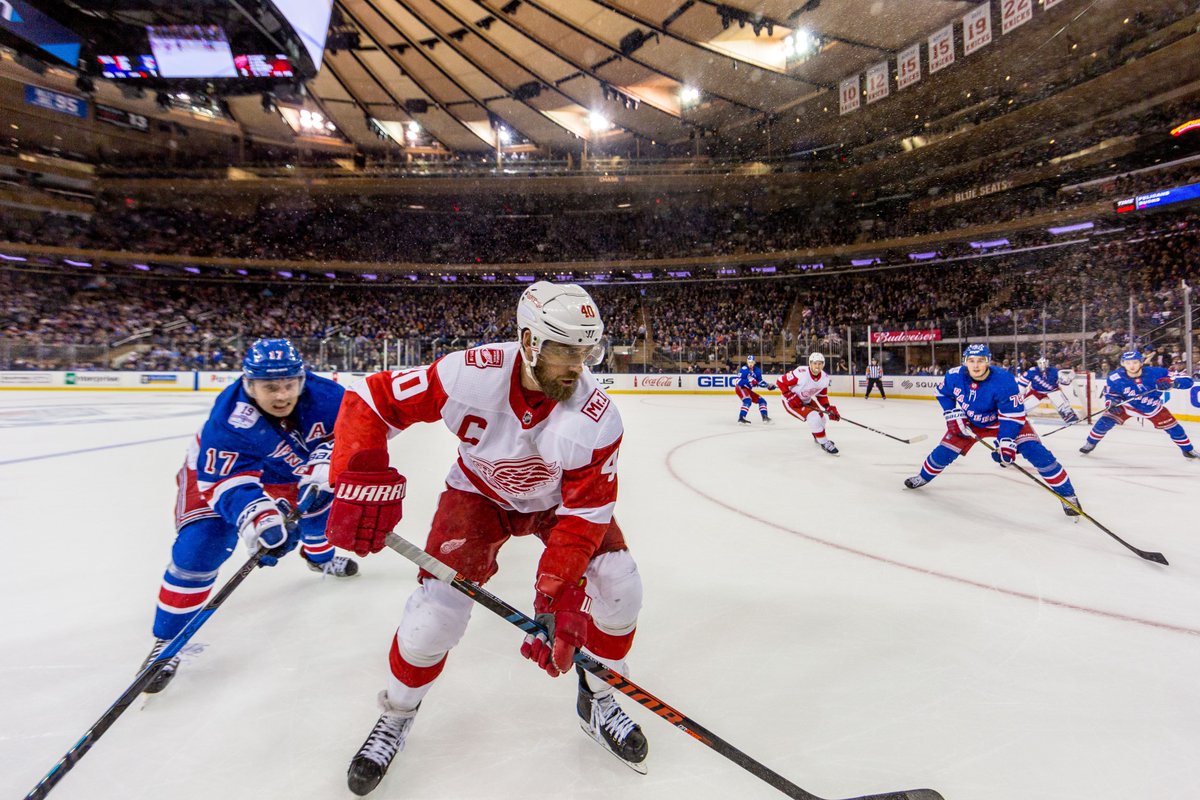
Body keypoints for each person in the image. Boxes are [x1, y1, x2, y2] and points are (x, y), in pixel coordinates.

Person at [325, 282, 647, 796]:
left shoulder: (596, 417)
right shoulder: (468, 375)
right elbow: (373, 398)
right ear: (529, 341)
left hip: (556, 506)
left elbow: (585, 514)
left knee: (620, 583)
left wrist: (557, 594)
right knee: (434, 617)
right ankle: (397, 714)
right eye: (565, 350)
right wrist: (356, 473)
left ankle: (600, 696)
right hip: (477, 496)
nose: (578, 366)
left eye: (586, 352)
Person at [138, 338, 358, 694]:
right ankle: (168, 640)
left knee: (318, 512)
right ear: (249, 384)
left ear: (303, 379)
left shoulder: (330, 397)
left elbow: (356, 434)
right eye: (270, 387)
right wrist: (256, 516)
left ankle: (320, 559)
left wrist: (329, 462)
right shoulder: (228, 419)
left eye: (289, 384)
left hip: (290, 470)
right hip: (218, 471)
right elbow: (225, 480)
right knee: (201, 546)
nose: (282, 395)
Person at [904, 344, 1082, 515]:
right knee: (944, 452)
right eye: (971, 361)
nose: (976, 365)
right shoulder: (954, 376)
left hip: (1004, 421)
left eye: (980, 360)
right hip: (971, 423)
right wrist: (951, 413)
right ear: (965, 361)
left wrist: (1006, 441)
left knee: (1036, 453)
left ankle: (1068, 495)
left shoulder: (1004, 380)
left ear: (988, 361)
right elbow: (942, 393)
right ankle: (923, 477)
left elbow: (1012, 416)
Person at [1080, 350, 1195, 458]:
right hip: (1126, 405)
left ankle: (1187, 449)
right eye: (1128, 363)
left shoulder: (1158, 372)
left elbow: (1188, 380)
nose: (1132, 366)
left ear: (1141, 362)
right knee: (1104, 422)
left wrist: (1173, 383)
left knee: (1174, 427)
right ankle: (1090, 443)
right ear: (1123, 363)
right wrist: (1112, 402)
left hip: (1151, 407)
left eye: (1135, 362)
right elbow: (1110, 393)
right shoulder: (1115, 377)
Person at [777, 351, 840, 454]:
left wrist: (828, 407)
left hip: (806, 400)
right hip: (791, 402)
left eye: (820, 363)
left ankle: (818, 437)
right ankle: (824, 442)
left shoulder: (825, 378)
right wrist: (789, 395)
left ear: (823, 364)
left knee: (822, 418)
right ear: (810, 363)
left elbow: (821, 396)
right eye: (815, 363)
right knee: (814, 417)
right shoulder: (800, 372)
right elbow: (780, 381)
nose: (817, 366)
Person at [1018, 356, 1078, 423]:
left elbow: (1065, 382)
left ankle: (1068, 415)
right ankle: (1019, 413)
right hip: (1036, 391)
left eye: (1044, 363)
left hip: (1053, 391)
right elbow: (1022, 383)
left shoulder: (1055, 371)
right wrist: (1021, 391)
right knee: (1027, 404)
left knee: (1060, 401)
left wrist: (1068, 378)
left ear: (1047, 363)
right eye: (1041, 363)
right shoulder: (1032, 371)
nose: (1042, 365)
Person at [736, 353, 774, 424]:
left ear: (754, 362)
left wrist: (768, 386)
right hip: (741, 388)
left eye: (752, 362)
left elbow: (760, 382)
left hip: (747, 389)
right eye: (749, 362)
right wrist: (749, 380)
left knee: (762, 401)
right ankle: (741, 418)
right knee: (747, 401)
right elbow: (738, 381)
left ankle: (765, 417)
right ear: (747, 362)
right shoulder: (744, 369)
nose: (750, 364)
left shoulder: (757, 371)